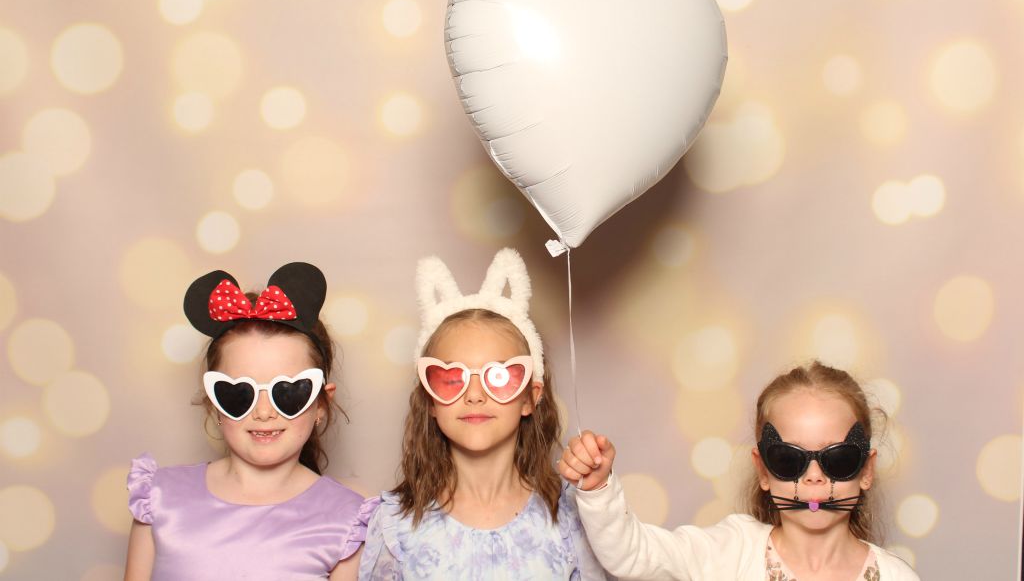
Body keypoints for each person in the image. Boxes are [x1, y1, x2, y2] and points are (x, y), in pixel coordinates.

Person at [358, 248, 607, 580]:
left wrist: (601, 491)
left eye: (499, 377)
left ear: (530, 398)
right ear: (430, 400)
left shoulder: (570, 516)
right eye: (451, 378)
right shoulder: (395, 523)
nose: (474, 395)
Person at [124, 262, 375, 581]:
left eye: (288, 392)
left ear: (321, 404)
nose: (264, 412)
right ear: (214, 403)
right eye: (240, 393)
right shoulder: (159, 498)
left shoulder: (349, 521)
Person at [559, 360, 920, 580]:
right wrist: (598, 488)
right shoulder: (731, 551)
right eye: (789, 460)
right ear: (763, 470)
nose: (814, 477)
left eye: (838, 459)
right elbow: (632, 556)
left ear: (866, 470)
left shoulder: (896, 577)